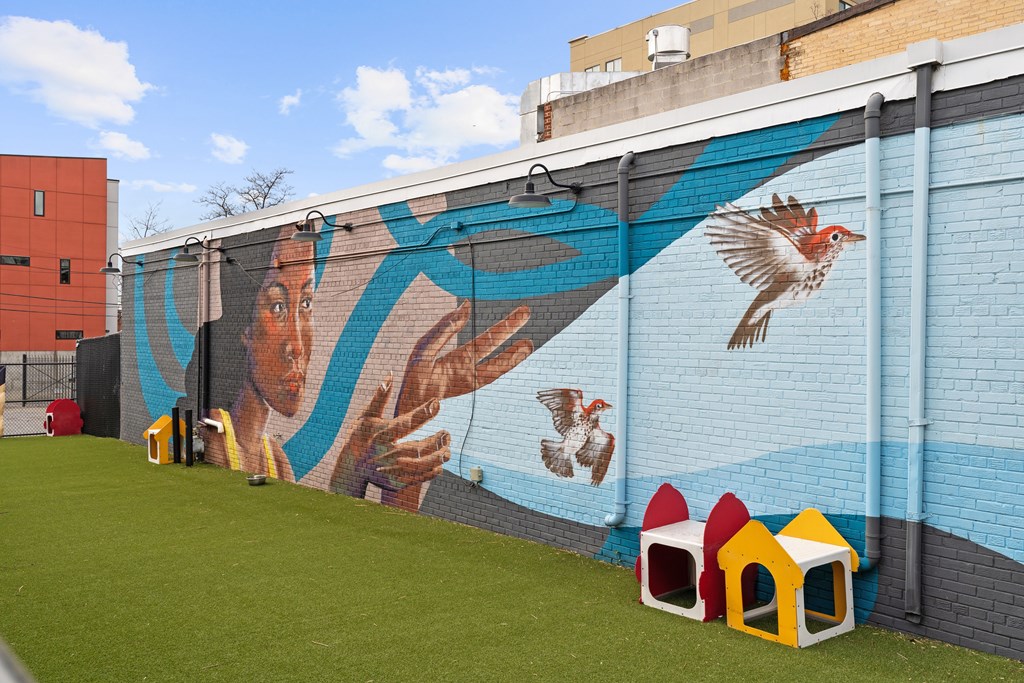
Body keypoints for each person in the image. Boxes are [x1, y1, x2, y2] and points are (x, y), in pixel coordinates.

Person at [186, 224, 533, 513]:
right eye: (277, 306)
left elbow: (323, 537)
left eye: (306, 303)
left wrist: (406, 416)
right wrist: (353, 468)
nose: (298, 345)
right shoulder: (215, 440)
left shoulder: (274, 457)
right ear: (242, 331)